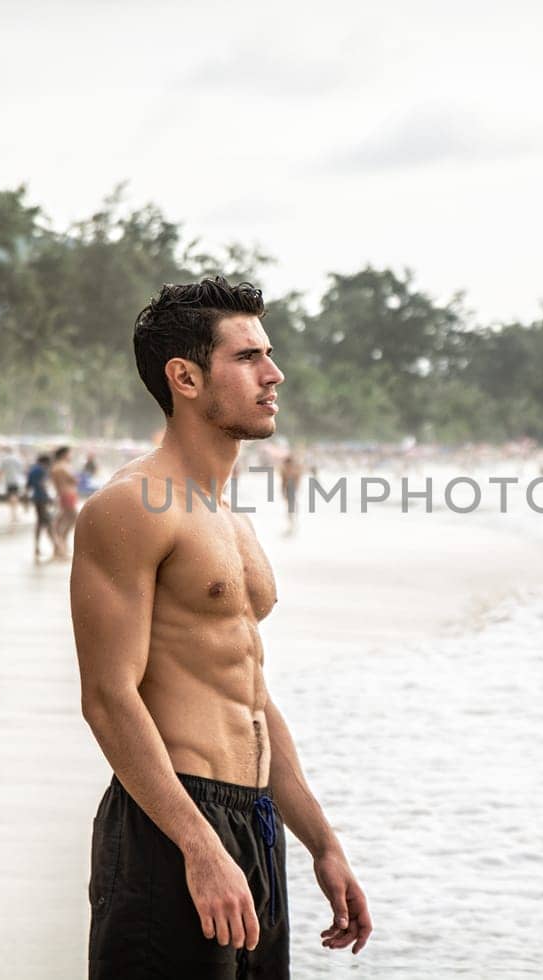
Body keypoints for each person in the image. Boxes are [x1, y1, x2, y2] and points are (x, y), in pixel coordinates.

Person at [72, 277, 371, 978]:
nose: (275, 374)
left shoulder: (230, 520)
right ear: (185, 377)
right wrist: (199, 847)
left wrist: (321, 841)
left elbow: (251, 695)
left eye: (268, 354)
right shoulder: (130, 508)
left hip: (254, 825)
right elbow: (109, 696)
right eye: (247, 358)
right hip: (170, 825)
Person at [26, 453, 59, 559]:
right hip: (41, 498)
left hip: (36, 498)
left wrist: (26, 501)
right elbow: (42, 484)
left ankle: (38, 547)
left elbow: (28, 485)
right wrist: (48, 497)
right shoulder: (41, 470)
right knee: (47, 522)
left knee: (40, 523)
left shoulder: (32, 469)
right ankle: (57, 547)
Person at [51, 446, 79, 557]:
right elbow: (74, 480)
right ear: (64, 454)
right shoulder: (63, 467)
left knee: (63, 519)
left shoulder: (55, 467)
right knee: (73, 517)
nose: (70, 456)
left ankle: (60, 543)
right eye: (69, 454)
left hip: (63, 494)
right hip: (68, 494)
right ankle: (61, 542)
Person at [0, 445, 25, 523]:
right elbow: (21, 469)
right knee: (15, 496)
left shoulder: (4, 459)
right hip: (16, 480)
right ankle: (14, 514)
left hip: (8, 480)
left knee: (11, 496)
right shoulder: (17, 459)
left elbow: (1, 470)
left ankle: (13, 514)